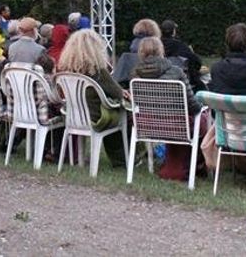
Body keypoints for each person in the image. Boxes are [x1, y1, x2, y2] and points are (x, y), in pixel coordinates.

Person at [130, 36, 201, 182]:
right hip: (177, 125)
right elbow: (193, 106)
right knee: (203, 120)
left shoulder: (134, 75)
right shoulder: (176, 72)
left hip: (146, 125)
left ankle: (177, 165)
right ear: (161, 50)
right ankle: (195, 167)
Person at [57, 29, 126, 169]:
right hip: (96, 118)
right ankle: (123, 160)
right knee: (123, 115)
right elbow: (117, 93)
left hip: (72, 116)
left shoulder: (64, 70)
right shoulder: (99, 72)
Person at [159, 19, 204, 85]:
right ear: (173, 31)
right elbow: (196, 61)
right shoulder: (178, 45)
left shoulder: (156, 44)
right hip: (181, 81)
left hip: (162, 80)